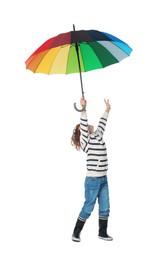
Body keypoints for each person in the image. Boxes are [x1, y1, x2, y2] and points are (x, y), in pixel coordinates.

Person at [71, 97, 113, 242]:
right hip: (92, 181)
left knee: (105, 206)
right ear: (82, 134)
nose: (88, 125)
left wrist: (107, 110)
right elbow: (83, 124)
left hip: (103, 179)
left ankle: (102, 232)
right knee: (88, 207)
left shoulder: (98, 135)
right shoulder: (86, 141)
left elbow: (102, 123)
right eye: (84, 127)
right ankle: (76, 232)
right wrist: (83, 108)